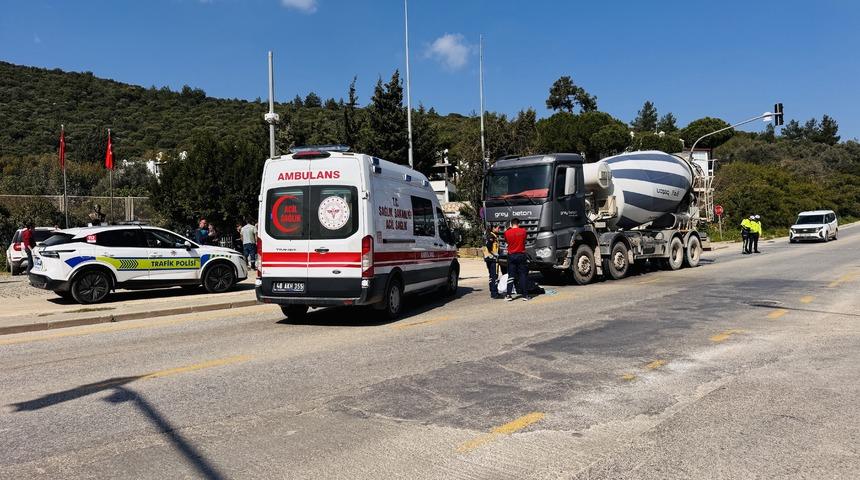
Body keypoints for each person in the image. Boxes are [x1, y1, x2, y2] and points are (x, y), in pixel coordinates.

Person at [504, 218, 530, 301]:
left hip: (511, 255)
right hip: (521, 254)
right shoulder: (523, 231)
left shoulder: (507, 232)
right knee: (522, 275)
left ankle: (508, 295)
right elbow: (524, 241)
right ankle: (525, 295)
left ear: (511, 224)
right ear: (518, 223)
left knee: (511, 275)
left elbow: (507, 242)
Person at [482, 225, 501, 299]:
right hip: (492, 259)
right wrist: (495, 254)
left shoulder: (488, 235)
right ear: (493, 228)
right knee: (494, 276)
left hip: (488, 258)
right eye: (497, 228)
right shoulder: (492, 236)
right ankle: (494, 293)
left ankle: (492, 291)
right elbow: (489, 247)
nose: (498, 229)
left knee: (491, 275)